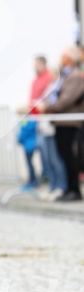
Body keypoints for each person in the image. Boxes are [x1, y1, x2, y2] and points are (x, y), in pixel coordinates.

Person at [38, 46, 84, 201]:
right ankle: (68, 189)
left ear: (70, 59)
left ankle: (74, 190)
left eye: (64, 56)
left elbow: (66, 100)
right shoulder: (66, 77)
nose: (61, 59)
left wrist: (48, 107)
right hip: (61, 122)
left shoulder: (75, 76)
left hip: (69, 123)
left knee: (70, 157)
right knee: (64, 157)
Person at [29, 55, 52, 183]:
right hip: (34, 118)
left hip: (44, 118)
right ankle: (43, 174)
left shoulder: (48, 78)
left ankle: (48, 175)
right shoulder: (36, 79)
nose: (34, 67)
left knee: (46, 149)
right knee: (39, 148)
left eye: (36, 64)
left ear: (42, 64)